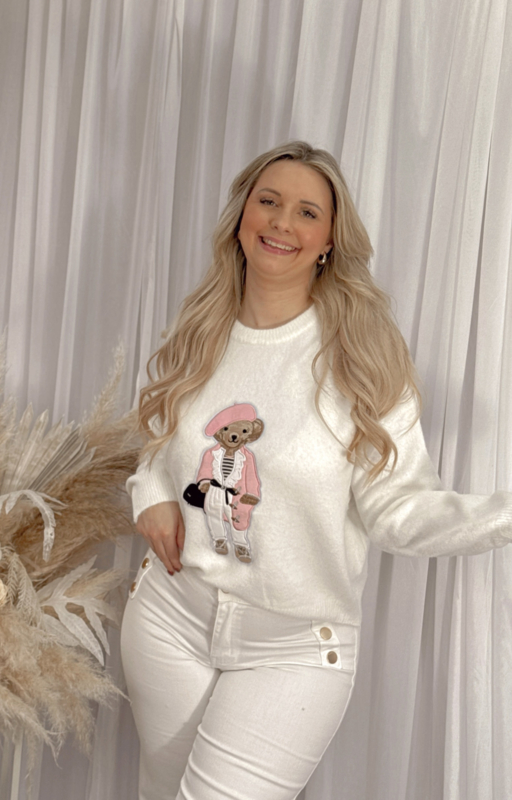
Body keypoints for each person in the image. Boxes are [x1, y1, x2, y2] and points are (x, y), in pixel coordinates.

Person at [120, 141, 512, 800]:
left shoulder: (361, 356)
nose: (282, 223)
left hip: (295, 647)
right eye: (268, 202)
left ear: (329, 240)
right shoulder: (200, 327)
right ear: (242, 217)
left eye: (307, 212)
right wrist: (150, 491)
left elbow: (400, 511)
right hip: (169, 618)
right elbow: (161, 431)